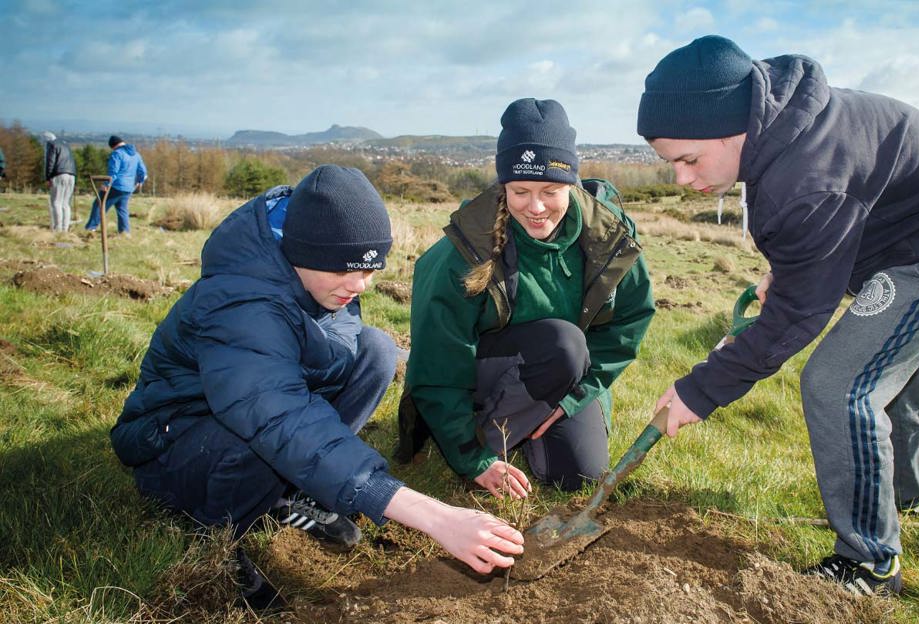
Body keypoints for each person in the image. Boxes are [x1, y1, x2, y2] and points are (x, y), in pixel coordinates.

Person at [637, 36, 919, 596]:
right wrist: (789, 270)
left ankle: (868, 562)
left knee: (840, 384)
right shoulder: (784, 126)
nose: (683, 180)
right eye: (671, 165)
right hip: (891, 241)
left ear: (734, 130)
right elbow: (825, 231)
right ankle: (907, 496)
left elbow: (794, 320)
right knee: (887, 367)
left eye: (688, 161)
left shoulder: (805, 176)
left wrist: (702, 390)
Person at [109, 165, 524, 612]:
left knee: (377, 352)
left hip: (255, 410)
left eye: (370, 270)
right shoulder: (242, 304)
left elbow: (324, 364)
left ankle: (289, 490)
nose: (360, 285)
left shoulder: (325, 272)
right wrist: (437, 518)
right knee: (255, 435)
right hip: (175, 444)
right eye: (346, 270)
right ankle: (216, 535)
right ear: (300, 252)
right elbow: (278, 418)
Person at [397, 98, 655, 498]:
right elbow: (438, 365)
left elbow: (627, 325)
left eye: (551, 191)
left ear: (571, 183)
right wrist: (470, 457)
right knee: (563, 344)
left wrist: (573, 400)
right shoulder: (463, 248)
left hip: (565, 376)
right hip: (480, 375)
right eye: (520, 191)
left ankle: (530, 424)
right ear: (503, 186)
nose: (536, 208)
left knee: (581, 475)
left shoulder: (609, 237)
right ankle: (481, 435)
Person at [85, 135, 147, 234]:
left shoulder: (117, 154)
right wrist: (140, 181)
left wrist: (106, 184)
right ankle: (125, 232)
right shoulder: (136, 154)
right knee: (122, 209)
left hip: (116, 186)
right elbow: (143, 171)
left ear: (113, 146)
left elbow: (113, 172)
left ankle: (91, 228)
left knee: (99, 204)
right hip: (129, 187)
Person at [42, 132, 77, 232]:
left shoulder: (52, 145)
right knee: (66, 203)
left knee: (56, 202)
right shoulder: (66, 145)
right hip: (71, 175)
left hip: (59, 174)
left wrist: (48, 178)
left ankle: (57, 229)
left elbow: (50, 162)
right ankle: (65, 229)